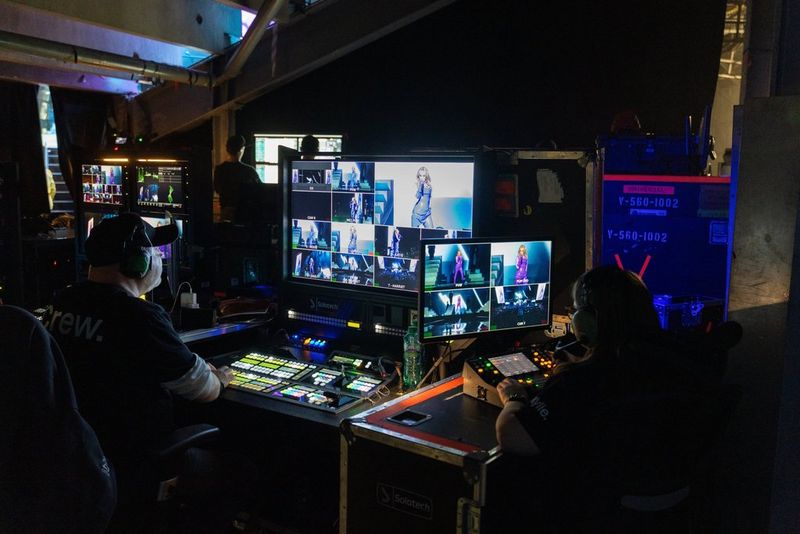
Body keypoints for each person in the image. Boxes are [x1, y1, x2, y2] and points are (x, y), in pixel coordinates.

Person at [494, 266, 722, 526]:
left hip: (598, 511)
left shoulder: (581, 382)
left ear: (589, 321)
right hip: (672, 508)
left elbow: (512, 435)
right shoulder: (681, 360)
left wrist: (514, 398)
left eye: (576, 310)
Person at [42, 213, 234, 481]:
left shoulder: (62, 301)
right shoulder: (138, 316)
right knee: (240, 471)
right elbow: (204, 389)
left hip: (78, 457)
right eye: (154, 251)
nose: (159, 258)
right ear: (137, 261)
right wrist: (221, 377)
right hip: (133, 459)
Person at [213, 135, 260, 222]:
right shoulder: (249, 171)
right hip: (244, 214)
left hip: (225, 213)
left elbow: (217, 189)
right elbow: (260, 190)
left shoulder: (219, 169)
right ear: (241, 150)